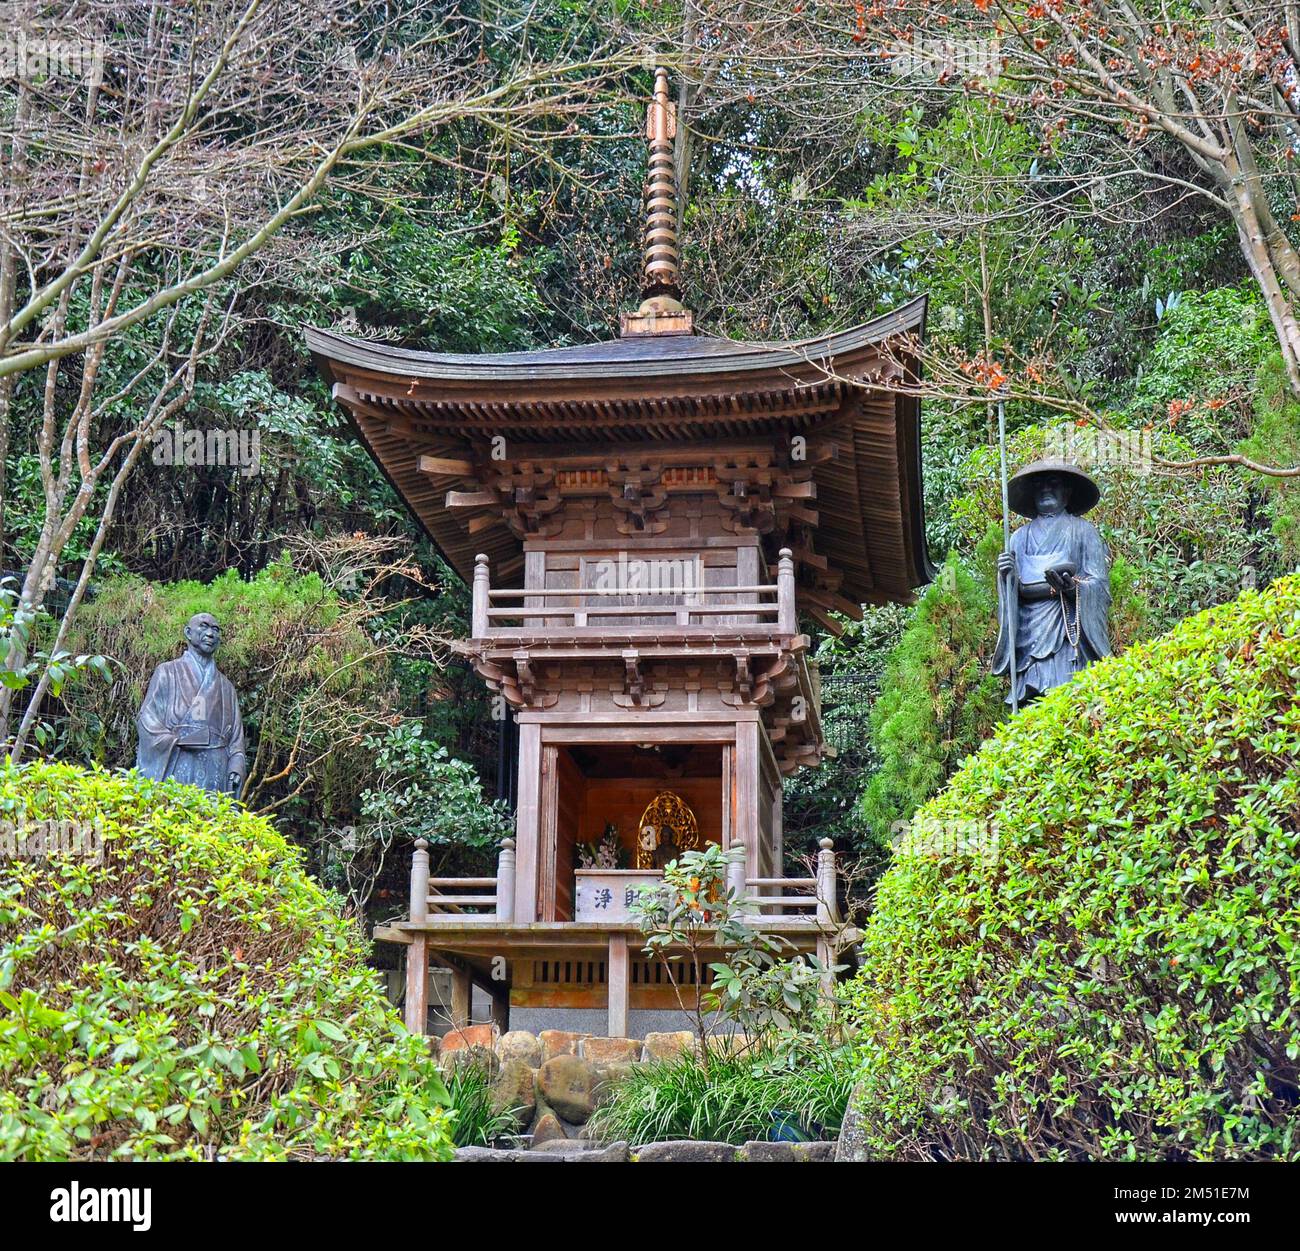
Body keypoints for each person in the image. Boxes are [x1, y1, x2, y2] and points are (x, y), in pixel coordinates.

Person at [992, 459, 1111, 706]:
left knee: (1069, 699)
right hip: (1031, 635)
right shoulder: (1018, 538)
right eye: (1038, 485)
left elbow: (1099, 584)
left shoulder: (1083, 531)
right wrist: (1008, 579)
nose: (1045, 489)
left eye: (1053, 483)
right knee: (1031, 705)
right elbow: (1013, 592)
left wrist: (1073, 589)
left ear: (1067, 493)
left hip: (1068, 633)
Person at [136, 613, 245, 796]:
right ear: (188, 632)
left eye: (215, 629)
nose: (210, 634)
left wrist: (236, 765)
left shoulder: (227, 687)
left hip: (215, 771)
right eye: (203, 626)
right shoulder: (167, 672)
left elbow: (236, 740)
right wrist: (177, 741)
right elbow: (147, 719)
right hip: (177, 762)